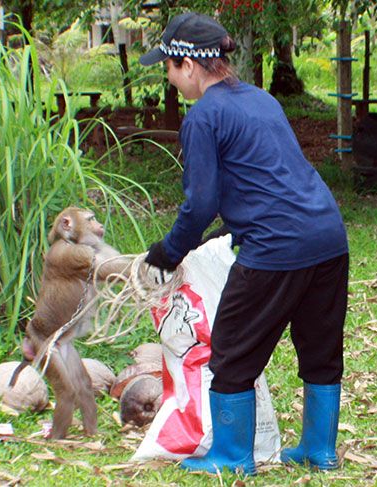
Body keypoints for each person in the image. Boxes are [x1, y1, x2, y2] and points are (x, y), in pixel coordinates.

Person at [140, 12, 349, 476]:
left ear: (189, 67)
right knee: (319, 347)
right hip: (329, 238)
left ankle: (232, 457)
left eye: (170, 70)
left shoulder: (203, 118)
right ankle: (319, 451)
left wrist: (166, 252)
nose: (171, 81)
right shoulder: (260, 100)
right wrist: (229, 231)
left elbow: (199, 205)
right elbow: (267, 178)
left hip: (276, 249)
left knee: (231, 348)